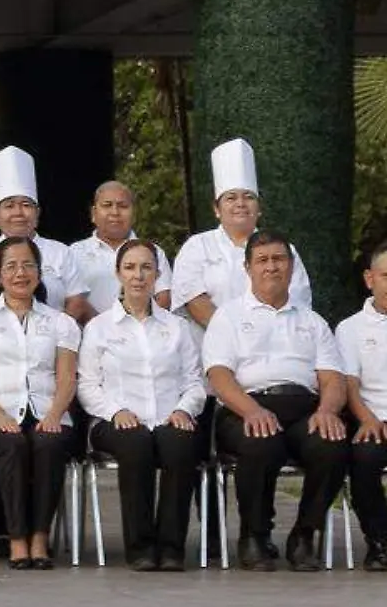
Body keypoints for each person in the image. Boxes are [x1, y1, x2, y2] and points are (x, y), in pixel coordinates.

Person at [202, 230, 347, 572]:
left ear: (292, 266)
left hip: (303, 407)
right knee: (260, 440)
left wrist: (327, 410)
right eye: (263, 260)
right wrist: (251, 410)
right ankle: (254, 534)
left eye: (279, 259)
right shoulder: (229, 316)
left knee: (331, 444)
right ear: (248, 268)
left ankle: (304, 533)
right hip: (245, 405)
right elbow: (219, 375)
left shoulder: (312, 321)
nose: (271, 267)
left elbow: (332, 378)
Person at [76, 239, 204, 572]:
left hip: (168, 417)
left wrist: (183, 409)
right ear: (118, 273)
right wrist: (115, 411)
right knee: (136, 444)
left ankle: (172, 545)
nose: (138, 275)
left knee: (182, 444)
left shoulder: (177, 328)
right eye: (130, 267)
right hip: (114, 421)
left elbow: (194, 382)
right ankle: (141, 545)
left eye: (146, 267)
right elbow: (87, 385)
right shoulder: (99, 328)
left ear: (158, 275)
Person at [0, 237, 82, 571]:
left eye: (28, 265)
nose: (20, 273)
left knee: (49, 443)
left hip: (47, 410)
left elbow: (67, 377)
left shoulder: (60, 322)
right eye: (10, 266)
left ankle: (40, 537)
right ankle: (15, 539)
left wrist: (55, 413)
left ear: (39, 274)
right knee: (11, 444)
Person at [172, 138, 312, 328]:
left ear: (259, 207)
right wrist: (235, 336)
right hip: (211, 349)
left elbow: (297, 302)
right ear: (216, 208)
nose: (240, 204)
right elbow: (194, 300)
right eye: (231, 198)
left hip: (274, 346)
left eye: (248, 197)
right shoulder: (197, 247)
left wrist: (258, 339)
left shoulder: (285, 250)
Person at [0, 147, 92, 328]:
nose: (18, 213)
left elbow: (76, 301)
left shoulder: (60, 251)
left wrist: (53, 334)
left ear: (37, 213)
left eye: (26, 205)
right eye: (9, 206)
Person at [336, 243, 387, 573]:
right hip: (369, 420)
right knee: (365, 459)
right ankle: (380, 542)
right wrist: (368, 419)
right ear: (370, 279)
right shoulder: (349, 328)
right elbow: (349, 385)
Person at [68, 181, 172, 311]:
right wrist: (102, 327)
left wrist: (132, 325)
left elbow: (163, 298)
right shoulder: (74, 253)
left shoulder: (153, 251)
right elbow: (72, 300)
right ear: (93, 213)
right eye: (107, 205)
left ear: (134, 213)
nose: (115, 212)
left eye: (123, 206)